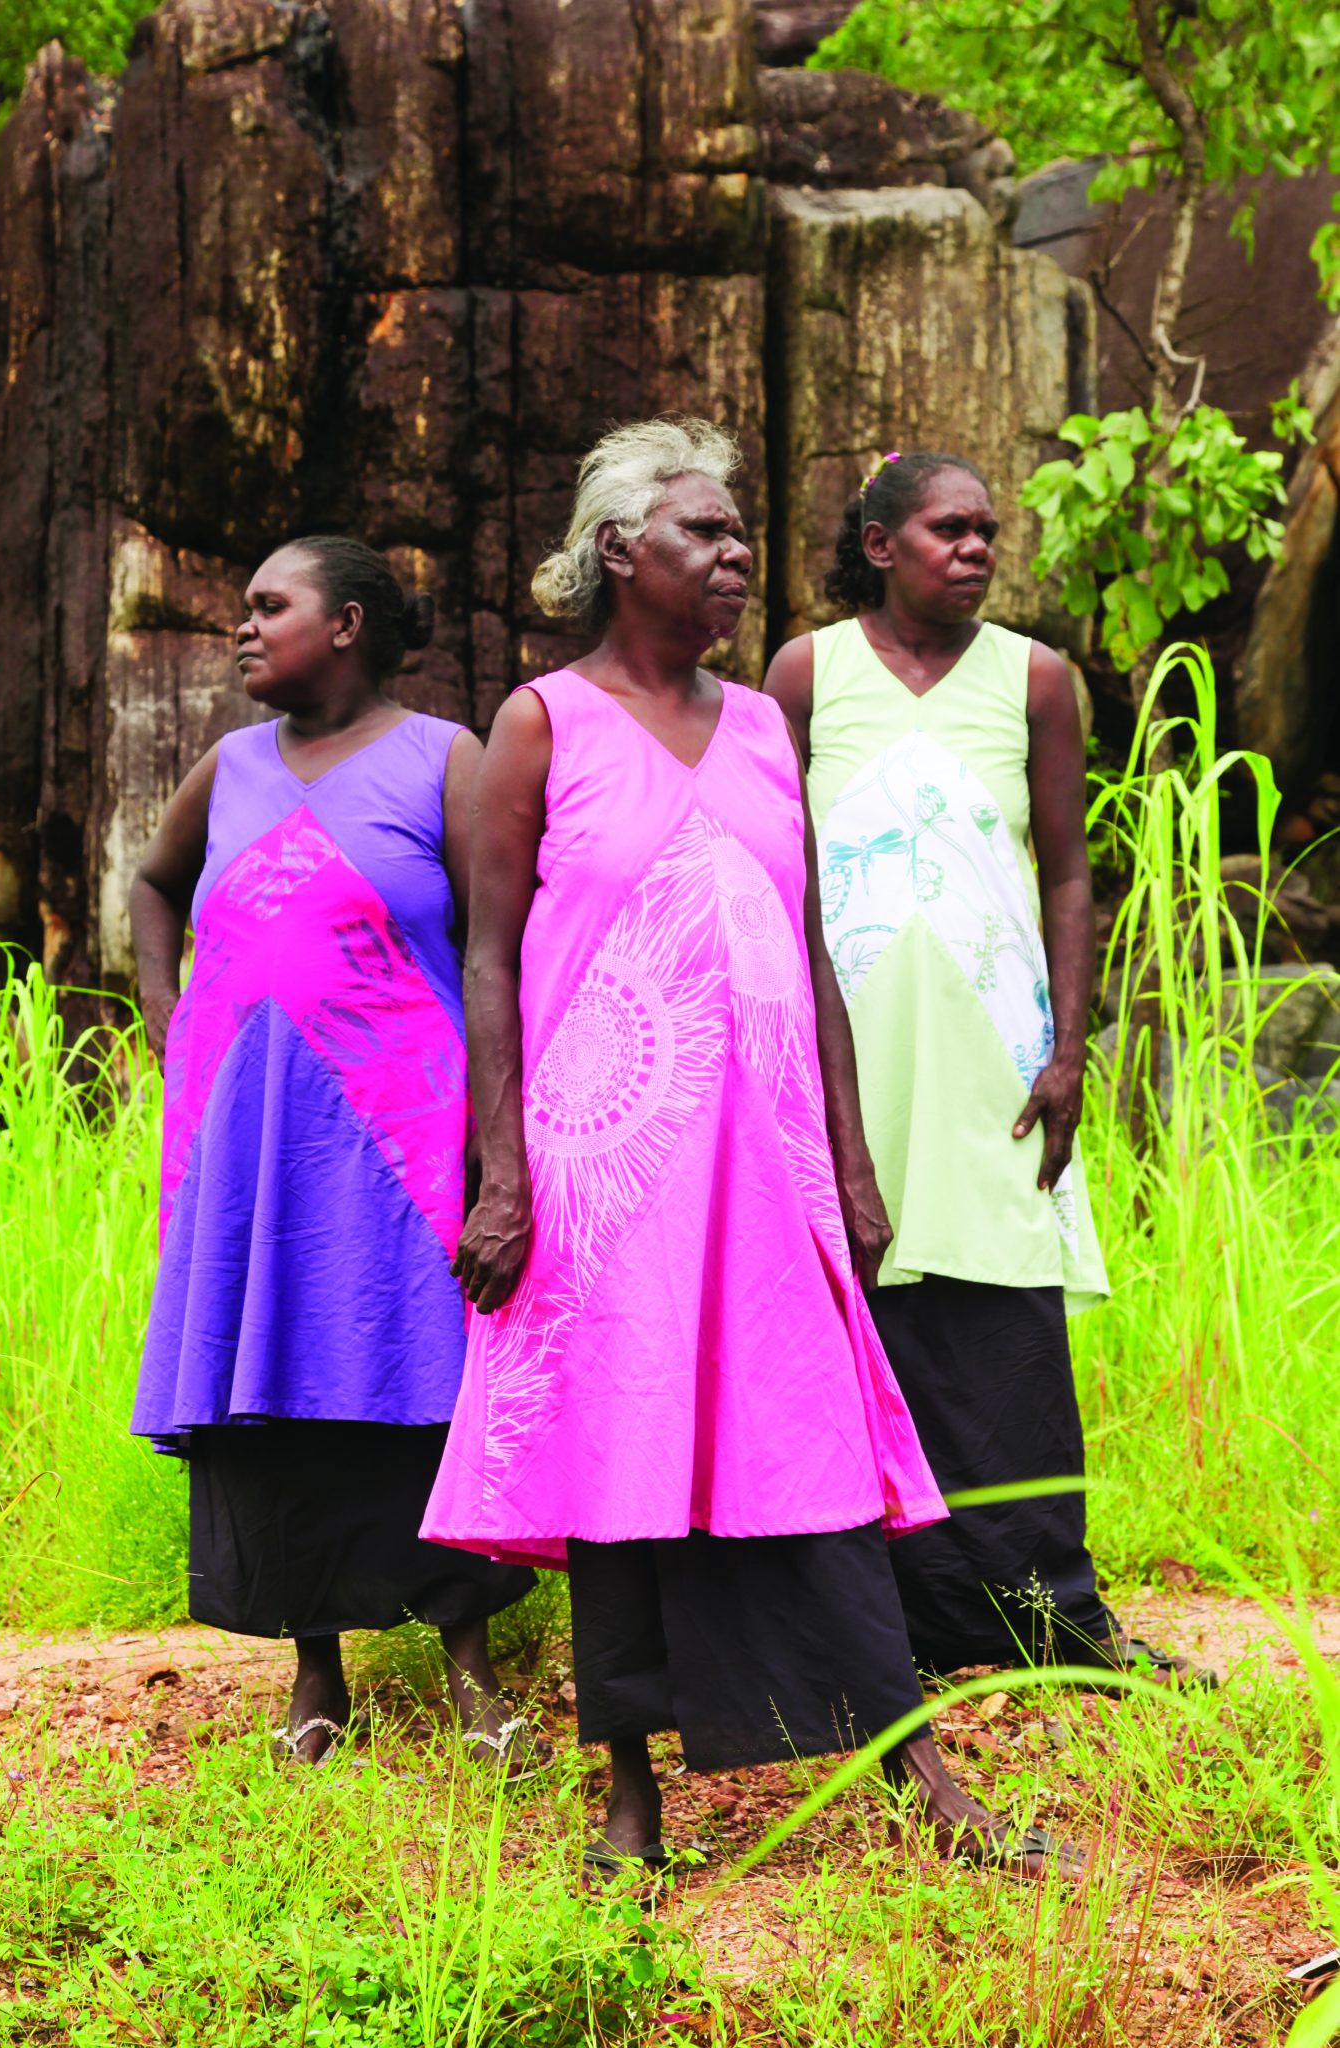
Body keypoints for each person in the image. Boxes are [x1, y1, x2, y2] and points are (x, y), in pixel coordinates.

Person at [420, 417, 1076, 1876]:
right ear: (616, 551)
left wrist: (848, 1162)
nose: (733, 560)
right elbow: (488, 957)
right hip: (610, 1175)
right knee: (627, 1467)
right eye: (703, 537)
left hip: (767, 1164)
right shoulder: (542, 722)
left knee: (813, 1447)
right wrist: (506, 1169)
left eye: (735, 539)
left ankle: (921, 1779)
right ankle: (631, 1802)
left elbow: (807, 947)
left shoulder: (768, 726)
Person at [765, 449, 1209, 1686]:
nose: (976, 550)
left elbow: (1068, 871)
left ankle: (1060, 1621)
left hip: (999, 1064)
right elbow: (773, 868)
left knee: (1006, 1336)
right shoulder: (807, 672)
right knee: (875, 1320)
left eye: (987, 533)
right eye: (950, 531)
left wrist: (1071, 1049)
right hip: (851, 1064)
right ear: (878, 544)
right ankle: (895, 1626)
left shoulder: (1035, 677)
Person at [129, 536, 536, 1765]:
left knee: (419, 1390)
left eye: (270, 606)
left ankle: (472, 1677)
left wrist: (495, 1141)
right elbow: (154, 883)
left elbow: (490, 946)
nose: (244, 628)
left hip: (401, 1146)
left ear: (348, 622)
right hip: (248, 1149)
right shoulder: (229, 766)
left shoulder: (445, 760)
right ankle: (318, 1678)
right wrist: (170, 1024)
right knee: (278, 1388)